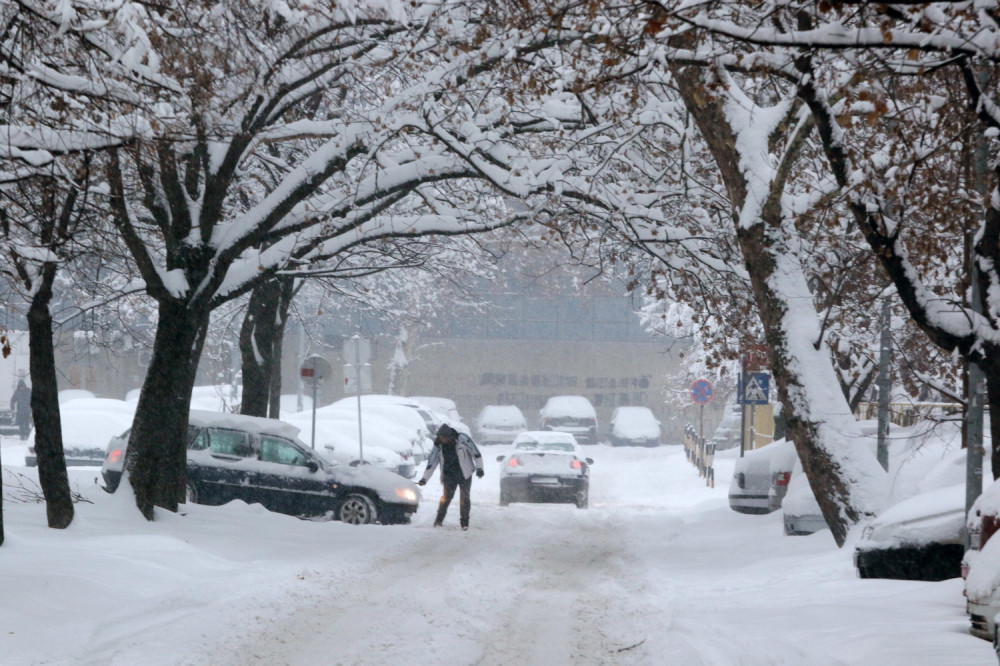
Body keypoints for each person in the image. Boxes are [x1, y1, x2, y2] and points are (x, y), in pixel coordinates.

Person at [418, 423, 484, 530]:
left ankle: (464, 523)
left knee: (464, 498)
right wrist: (424, 479)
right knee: (446, 498)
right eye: (440, 438)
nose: (442, 440)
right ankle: (438, 521)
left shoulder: (462, 439)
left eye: (444, 438)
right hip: (449, 475)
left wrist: (480, 469)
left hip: (465, 473)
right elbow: (432, 462)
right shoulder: (438, 445)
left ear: (449, 436)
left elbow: (476, 453)